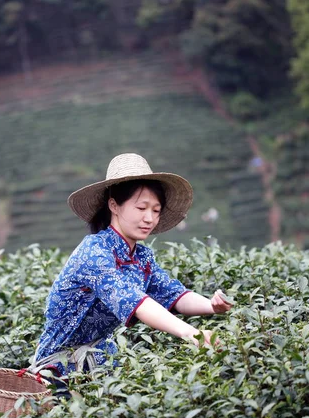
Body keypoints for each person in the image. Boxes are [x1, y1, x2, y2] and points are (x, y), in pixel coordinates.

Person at [29, 153, 232, 378]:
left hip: (100, 364)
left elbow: (174, 294)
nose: (149, 218)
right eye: (141, 208)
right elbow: (137, 302)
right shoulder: (94, 252)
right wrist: (192, 334)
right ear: (114, 206)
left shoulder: (141, 257)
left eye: (155, 211)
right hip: (55, 369)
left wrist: (212, 306)